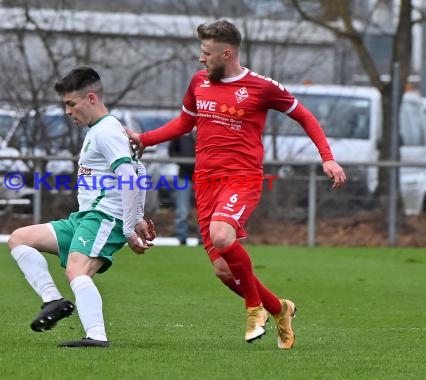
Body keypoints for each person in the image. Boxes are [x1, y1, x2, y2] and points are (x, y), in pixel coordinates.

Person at [127, 20, 346, 349]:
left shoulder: (261, 86)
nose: (201, 58)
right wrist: (145, 138)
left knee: (221, 234)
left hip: (241, 179)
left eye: (207, 52)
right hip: (205, 183)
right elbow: (186, 122)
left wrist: (327, 157)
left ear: (226, 53)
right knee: (223, 270)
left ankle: (254, 309)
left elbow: (304, 115)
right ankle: (279, 309)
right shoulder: (198, 82)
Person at [8, 66, 156, 348]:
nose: (67, 111)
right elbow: (140, 170)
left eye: (70, 104)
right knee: (20, 239)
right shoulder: (102, 129)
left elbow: (128, 175)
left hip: (104, 218)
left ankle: (96, 337)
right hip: (86, 217)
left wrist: (127, 226)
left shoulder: (106, 131)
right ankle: (52, 300)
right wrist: (137, 217)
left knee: (77, 270)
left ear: (91, 98)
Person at [168, 130, 196, 245]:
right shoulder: (181, 135)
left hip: (203, 177)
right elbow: (172, 152)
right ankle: (182, 238)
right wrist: (182, 162)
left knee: (203, 210)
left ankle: (204, 239)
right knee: (182, 210)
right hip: (184, 176)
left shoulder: (207, 133)